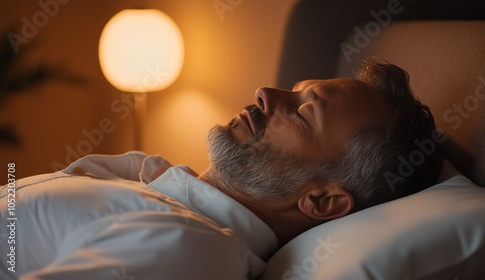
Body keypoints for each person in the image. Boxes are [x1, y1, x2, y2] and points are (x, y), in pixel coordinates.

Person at [0, 58, 442, 280]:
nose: (266, 92)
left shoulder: (186, 248)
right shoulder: (146, 178)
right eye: (294, 90)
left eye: (304, 113)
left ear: (322, 200)